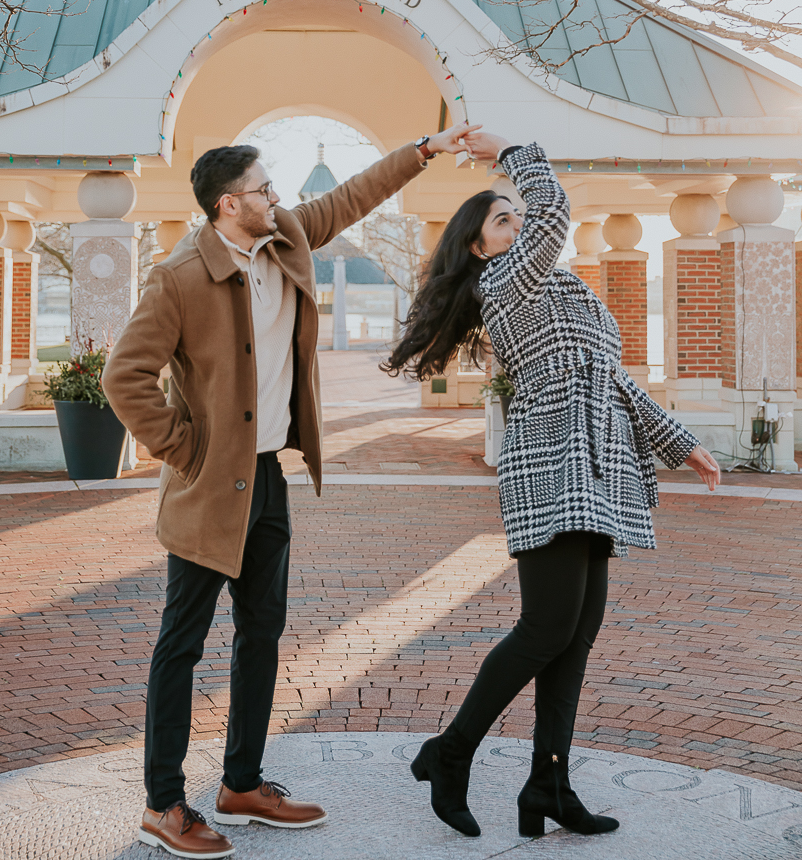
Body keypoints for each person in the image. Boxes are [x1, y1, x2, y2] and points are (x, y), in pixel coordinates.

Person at [102, 123, 476, 858]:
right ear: (225, 206)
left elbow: (353, 197)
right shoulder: (178, 278)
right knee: (180, 645)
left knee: (261, 635)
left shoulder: (288, 238)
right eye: (262, 190)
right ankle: (163, 804)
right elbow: (125, 378)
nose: (277, 198)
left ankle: (241, 783)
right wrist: (187, 451)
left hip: (269, 477)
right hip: (210, 490)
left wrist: (420, 149)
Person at [385, 133, 720, 841]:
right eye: (502, 218)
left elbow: (613, 377)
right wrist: (515, 154)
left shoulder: (564, 289)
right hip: (551, 462)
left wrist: (681, 444)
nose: (518, 222)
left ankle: (549, 783)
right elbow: (554, 211)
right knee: (544, 627)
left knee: (574, 636)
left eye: (516, 213)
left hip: (597, 466)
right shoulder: (505, 283)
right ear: (479, 248)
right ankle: (448, 755)